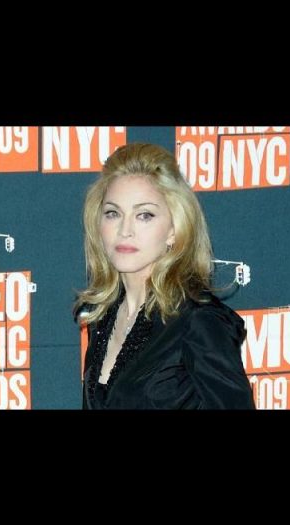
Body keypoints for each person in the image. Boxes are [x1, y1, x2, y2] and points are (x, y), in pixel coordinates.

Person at [74, 143, 256, 409]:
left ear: (174, 229)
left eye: (144, 215)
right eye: (113, 213)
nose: (125, 230)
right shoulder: (103, 317)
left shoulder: (199, 321)